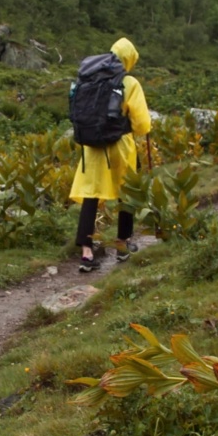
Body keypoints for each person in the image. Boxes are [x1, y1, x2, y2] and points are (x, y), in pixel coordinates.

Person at [69, 37, 151, 272]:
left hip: (91, 150)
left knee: (91, 196)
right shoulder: (129, 82)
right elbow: (142, 125)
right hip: (120, 147)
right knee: (127, 193)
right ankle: (122, 244)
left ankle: (86, 252)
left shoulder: (88, 79)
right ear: (130, 59)